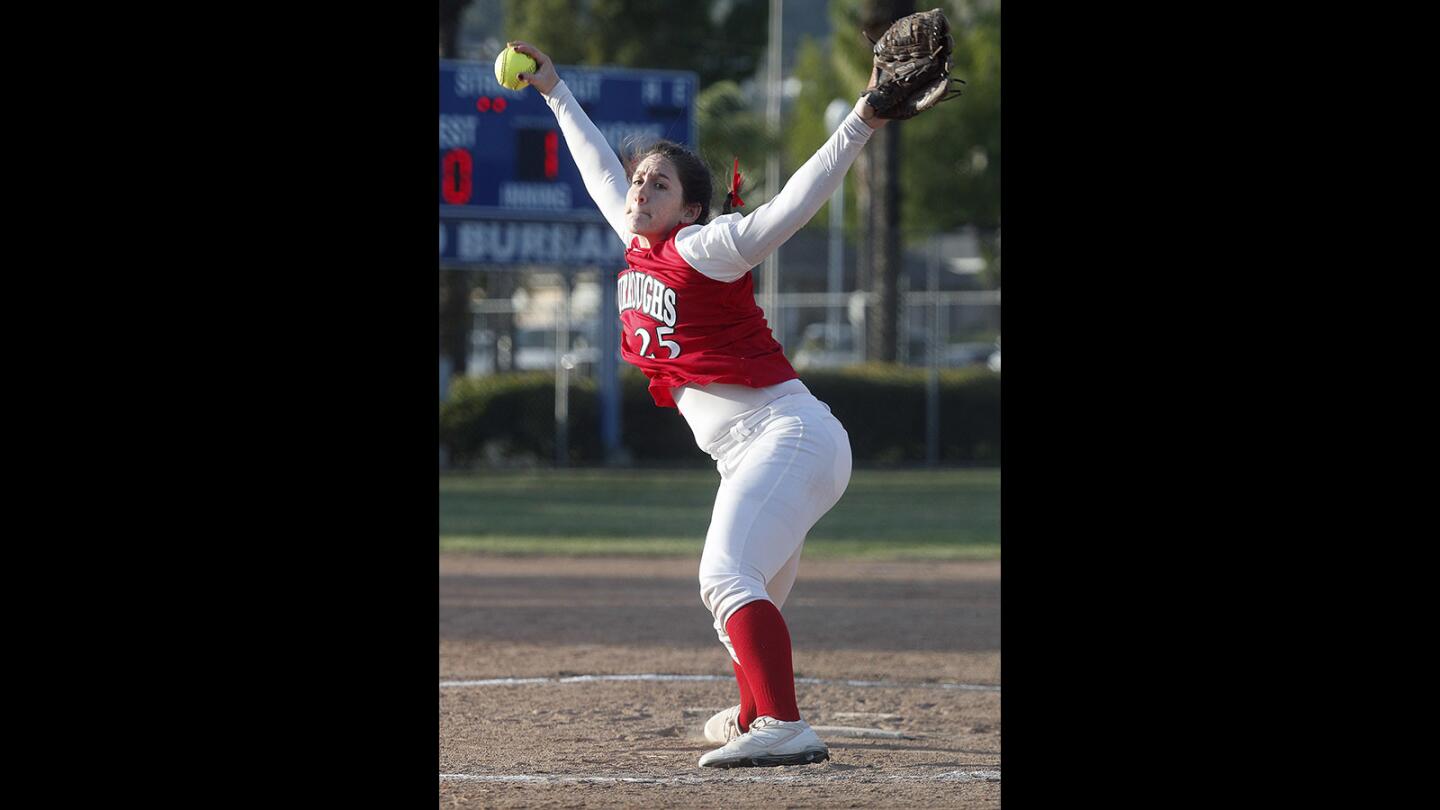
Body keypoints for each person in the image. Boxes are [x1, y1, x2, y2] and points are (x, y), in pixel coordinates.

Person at [509, 40, 892, 769]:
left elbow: (789, 207)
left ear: (689, 205)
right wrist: (554, 88)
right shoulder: (638, 245)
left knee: (724, 577)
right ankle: (754, 712)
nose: (639, 190)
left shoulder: (702, 246)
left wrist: (864, 119)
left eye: (658, 184)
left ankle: (782, 722)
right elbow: (596, 168)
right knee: (752, 593)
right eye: (639, 181)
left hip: (786, 432)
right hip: (767, 445)